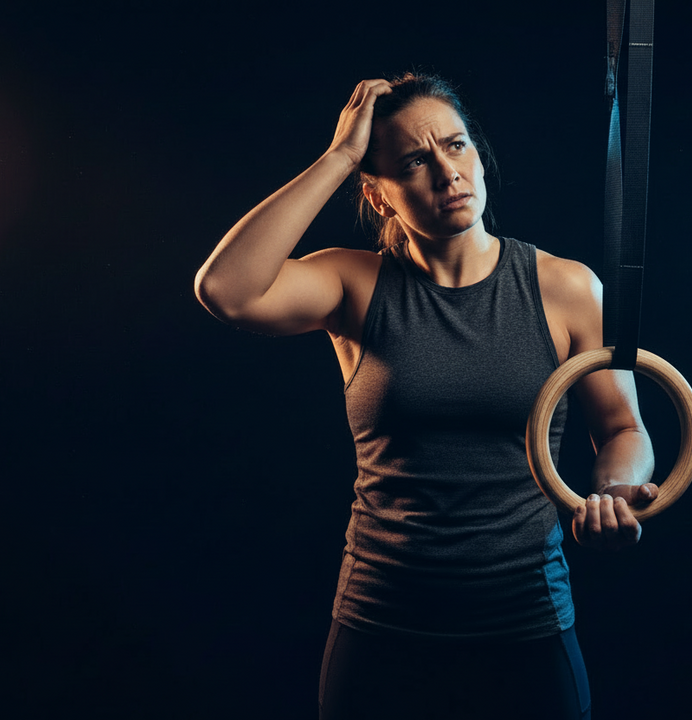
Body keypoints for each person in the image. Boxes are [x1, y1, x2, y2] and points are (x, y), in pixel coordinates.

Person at [195, 74, 657, 720]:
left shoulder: (566, 288)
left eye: (457, 145)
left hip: (525, 624)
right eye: (414, 161)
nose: (448, 173)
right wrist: (337, 158)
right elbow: (226, 290)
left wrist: (610, 493)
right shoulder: (350, 285)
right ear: (378, 196)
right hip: (381, 630)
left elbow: (623, 431)